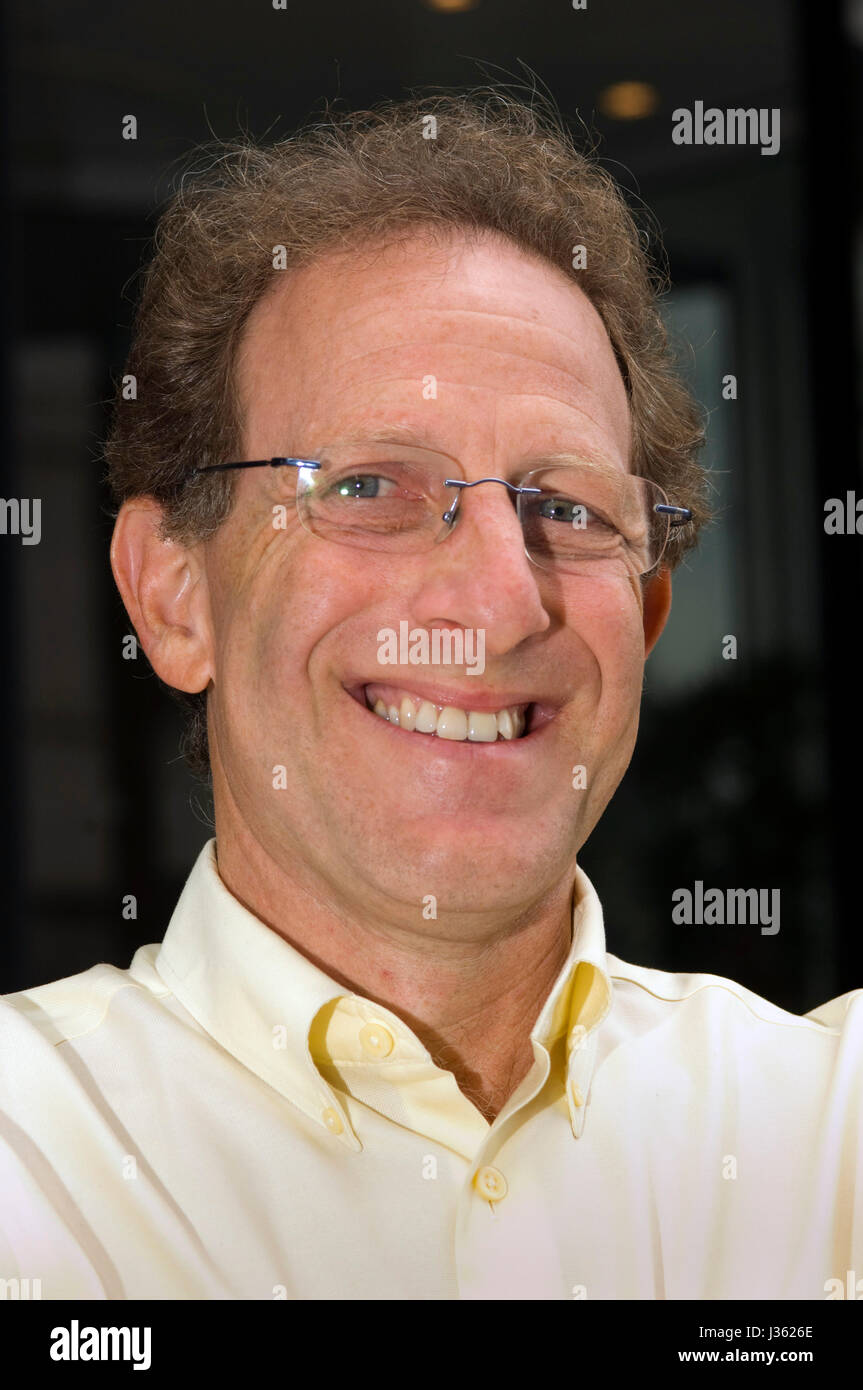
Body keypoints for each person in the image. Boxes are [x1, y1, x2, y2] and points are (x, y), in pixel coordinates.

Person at [1, 92, 860, 1302]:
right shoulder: (28, 1163)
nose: (500, 602)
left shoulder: (832, 1138)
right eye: (369, 487)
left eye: (567, 508)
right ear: (174, 595)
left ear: (649, 613)